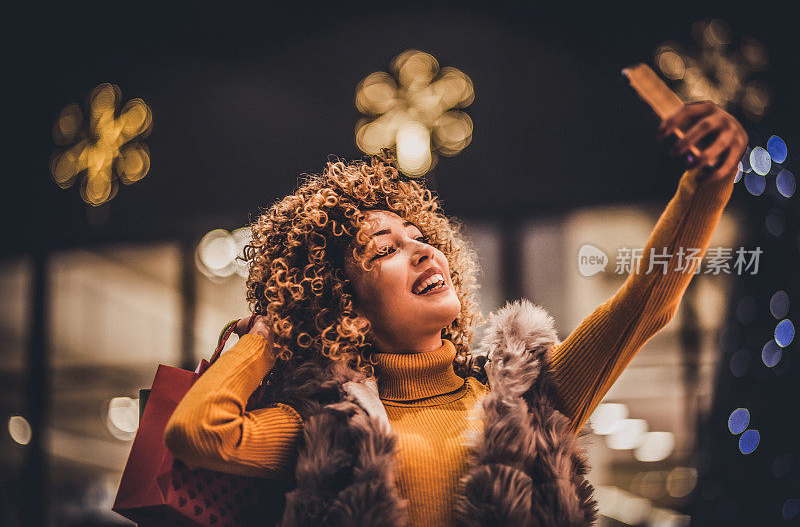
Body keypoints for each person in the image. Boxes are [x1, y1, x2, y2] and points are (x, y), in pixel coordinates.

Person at [164, 101, 747, 526]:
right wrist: (279, 326)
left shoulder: (526, 399)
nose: (421, 249)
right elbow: (198, 432)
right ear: (348, 309)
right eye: (384, 250)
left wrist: (707, 183)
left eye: (419, 236)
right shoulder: (331, 428)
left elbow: (647, 302)